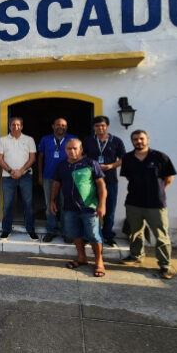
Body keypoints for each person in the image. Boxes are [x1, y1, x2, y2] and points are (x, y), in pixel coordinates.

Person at [119, 130, 177, 280]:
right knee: (135, 232)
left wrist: (157, 192)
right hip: (133, 202)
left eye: (141, 139)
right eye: (135, 139)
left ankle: (165, 265)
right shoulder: (127, 158)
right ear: (132, 141)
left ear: (148, 140)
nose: (139, 141)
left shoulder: (160, 157)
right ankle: (136, 256)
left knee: (161, 235)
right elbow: (128, 176)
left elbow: (168, 178)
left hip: (155, 204)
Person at [50, 139, 107, 277]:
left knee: (94, 236)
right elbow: (56, 184)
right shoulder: (62, 165)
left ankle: (99, 262)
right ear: (65, 150)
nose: (72, 151)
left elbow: (101, 186)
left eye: (75, 148)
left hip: (89, 208)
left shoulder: (90, 163)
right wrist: (52, 201)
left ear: (81, 149)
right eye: (69, 148)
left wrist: (102, 204)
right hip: (69, 208)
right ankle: (82, 258)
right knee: (75, 234)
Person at [82, 116, 126, 247]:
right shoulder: (88, 140)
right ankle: (89, 235)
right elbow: (82, 156)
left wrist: (111, 166)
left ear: (107, 126)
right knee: (90, 208)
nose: (99, 128)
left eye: (102, 125)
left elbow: (124, 158)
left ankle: (107, 235)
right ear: (93, 128)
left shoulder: (116, 141)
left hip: (110, 179)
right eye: (97, 126)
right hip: (91, 180)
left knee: (110, 209)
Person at [0, 117, 38, 240]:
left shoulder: (29, 140)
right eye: (13, 124)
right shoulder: (2, 140)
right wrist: (11, 171)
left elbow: (32, 159)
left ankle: (30, 229)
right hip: (8, 177)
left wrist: (21, 171)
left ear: (22, 126)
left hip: (25, 176)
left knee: (28, 204)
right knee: (8, 204)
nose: (16, 127)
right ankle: (6, 230)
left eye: (18, 125)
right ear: (10, 126)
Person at [38, 117, 75, 242]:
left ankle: (66, 232)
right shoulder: (45, 139)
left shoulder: (73, 139)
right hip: (49, 177)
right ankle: (51, 230)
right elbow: (40, 157)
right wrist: (39, 175)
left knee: (66, 205)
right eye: (58, 124)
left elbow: (79, 156)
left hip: (67, 178)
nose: (61, 127)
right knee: (50, 205)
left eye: (63, 125)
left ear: (66, 127)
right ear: (53, 126)